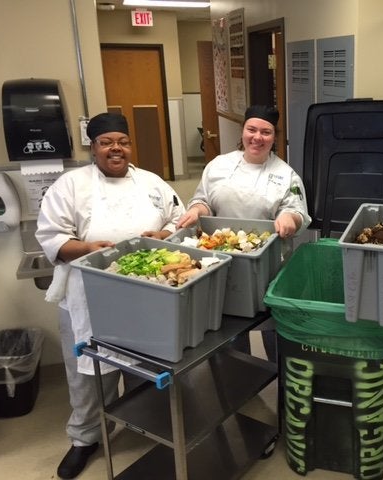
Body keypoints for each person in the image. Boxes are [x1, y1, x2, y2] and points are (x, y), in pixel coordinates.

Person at [36, 113, 185, 479]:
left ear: (130, 146)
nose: (116, 148)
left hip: (146, 293)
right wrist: (88, 248)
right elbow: (52, 235)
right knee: (88, 374)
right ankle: (85, 438)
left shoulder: (151, 182)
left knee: (144, 365)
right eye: (106, 142)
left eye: (123, 141)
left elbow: (178, 219)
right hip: (88, 293)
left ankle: (143, 423)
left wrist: (165, 235)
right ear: (93, 147)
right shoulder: (70, 186)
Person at [176, 104, 311, 359]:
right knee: (227, 323)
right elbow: (203, 200)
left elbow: (297, 212)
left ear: (274, 137)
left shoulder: (286, 175)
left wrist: (288, 218)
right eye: (252, 129)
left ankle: (278, 370)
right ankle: (235, 373)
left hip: (267, 263)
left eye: (266, 132)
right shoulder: (218, 165)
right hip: (219, 257)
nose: (257, 137)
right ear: (243, 131)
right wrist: (196, 211)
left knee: (271, 322)